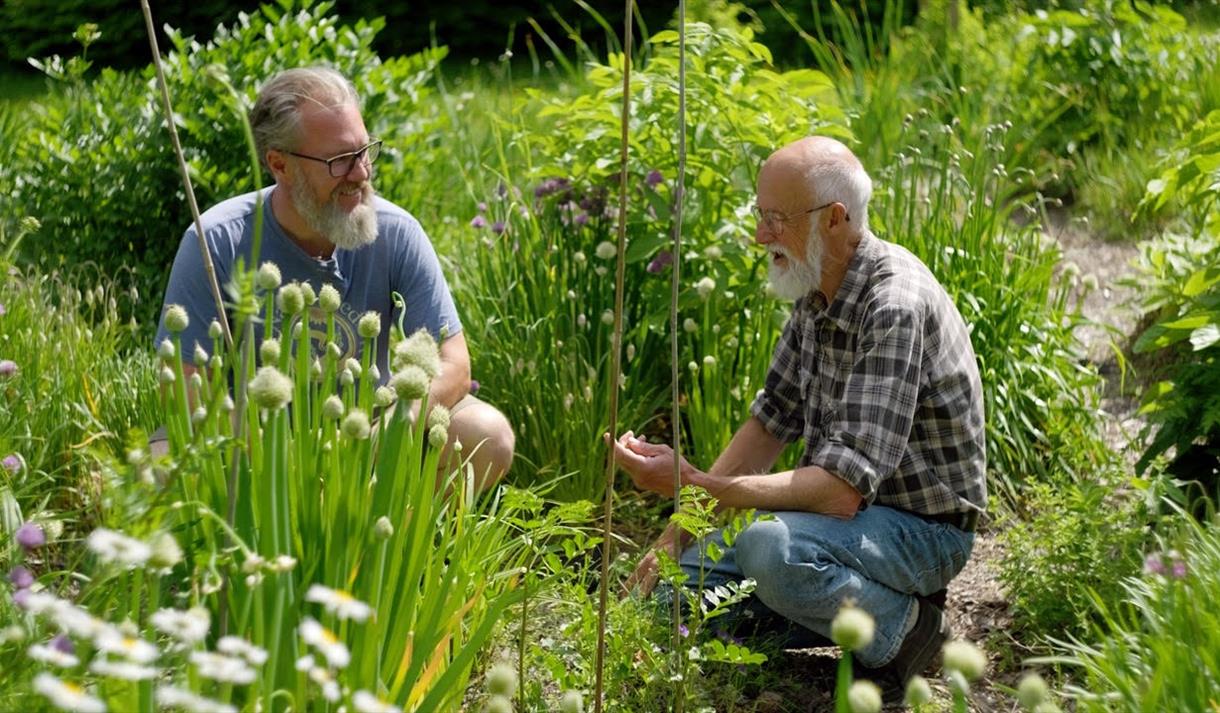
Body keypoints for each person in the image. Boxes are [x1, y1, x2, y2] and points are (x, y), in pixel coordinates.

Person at [609, 136, 986, 699]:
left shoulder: (894, 304)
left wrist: (698, 483)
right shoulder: (817, 290)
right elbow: (768, 425)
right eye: (761, 216)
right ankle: (825, 607)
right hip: (832, 531)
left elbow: (840, 492)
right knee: (667, 605)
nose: (762, 236)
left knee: (769, 550)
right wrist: (673, 539)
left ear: (835, 219)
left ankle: (908, 632)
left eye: (777, 219)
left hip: (920, 532)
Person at [153, 66, 514, 488]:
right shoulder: (218, 241)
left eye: (364, 151)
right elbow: (184, 386)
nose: (360, 173)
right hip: (254, 451)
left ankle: (393, 545)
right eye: (339, 160)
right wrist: (280, 457)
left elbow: (453, 362)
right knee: (149, 475)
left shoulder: (395, 232)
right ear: (279, 164)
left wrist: (393, 427)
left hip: (371, 441)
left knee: (488, 436)